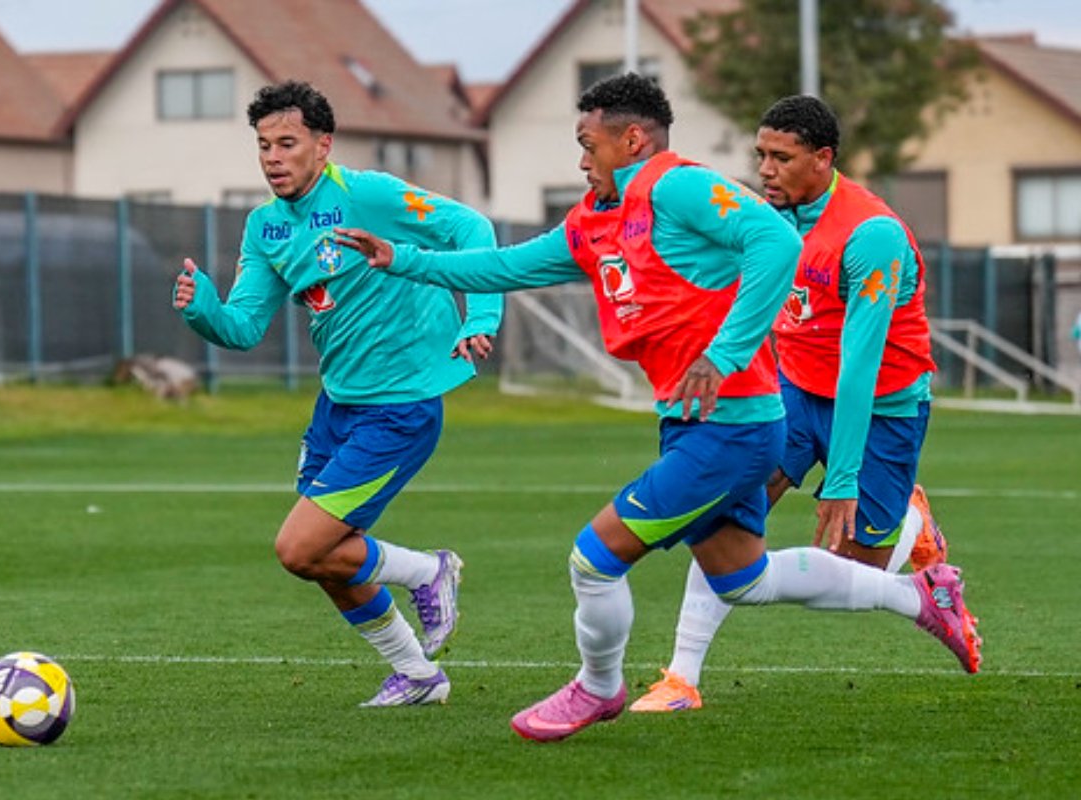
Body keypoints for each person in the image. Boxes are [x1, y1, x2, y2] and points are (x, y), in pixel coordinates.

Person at [337, 73, 981, 742]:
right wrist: (403, 259)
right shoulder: (595, 219)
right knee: (741, 579)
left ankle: (598, 687)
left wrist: (728, 355)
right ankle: (920, 596)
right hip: (706, 418)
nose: (581, 160)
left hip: (738, 422)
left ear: (632, 139)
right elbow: (507, 266)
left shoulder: (675, 185)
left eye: (589, 144)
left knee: (593, 558)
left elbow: (776, 245)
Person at [172, 81, 503, 707]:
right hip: (338, 407)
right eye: (264, 145)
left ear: (323, 146)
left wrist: (481, 316)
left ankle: (429, 572)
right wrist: (202, 310)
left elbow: (471, 227)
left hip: (401, 405)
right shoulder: (265, 228)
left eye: (287, 143)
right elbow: (243, 326)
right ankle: (418, 676)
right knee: (323, 558)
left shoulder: (368, 196)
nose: (273, 157)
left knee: (299, 546)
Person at [630, 94, 964, 714]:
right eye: (760, 155)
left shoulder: (872, 237)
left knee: (856, 565)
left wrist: (839, 481)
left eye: (781, 157)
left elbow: (860, 369)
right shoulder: (768, 220)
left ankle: (912, 528)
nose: (765, 169)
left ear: (823, 159)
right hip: (793, 394)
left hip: (880, 408)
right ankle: (681, 678)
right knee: (726, 515)